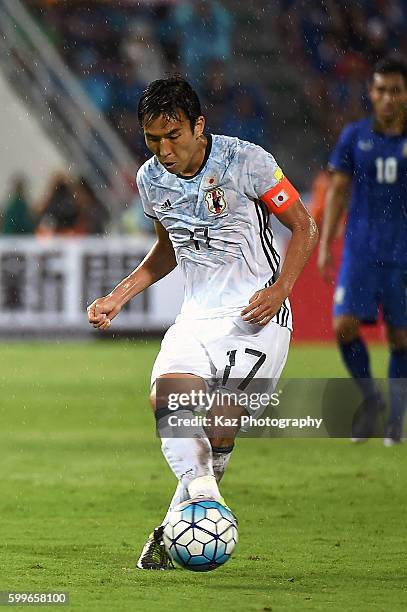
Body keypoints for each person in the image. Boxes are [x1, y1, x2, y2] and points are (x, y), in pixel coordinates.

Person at [87, 77, 318, 569]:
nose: (164, 149)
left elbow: (304, 225)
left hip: (256, 317)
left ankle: (178, 526)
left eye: (173, 136)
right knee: (166, 400)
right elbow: (169, 248)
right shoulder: (151, 179)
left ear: (199, 126)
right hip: (195, 316)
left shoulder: (245, 161)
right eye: (153, 138)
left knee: (217, 427)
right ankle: (204, 510)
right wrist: (118, 295)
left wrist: (279, 290)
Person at [318, 55, 407, 446]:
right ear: (371, 93)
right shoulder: (355, 137)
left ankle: (395, 420)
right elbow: (338, 190)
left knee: (401, 338)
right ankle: (371, 400)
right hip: (360, 251)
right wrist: (325, 244)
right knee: (343, 326)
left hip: (403, 254)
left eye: (396, 90)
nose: (388, 98)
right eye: (382, 90)